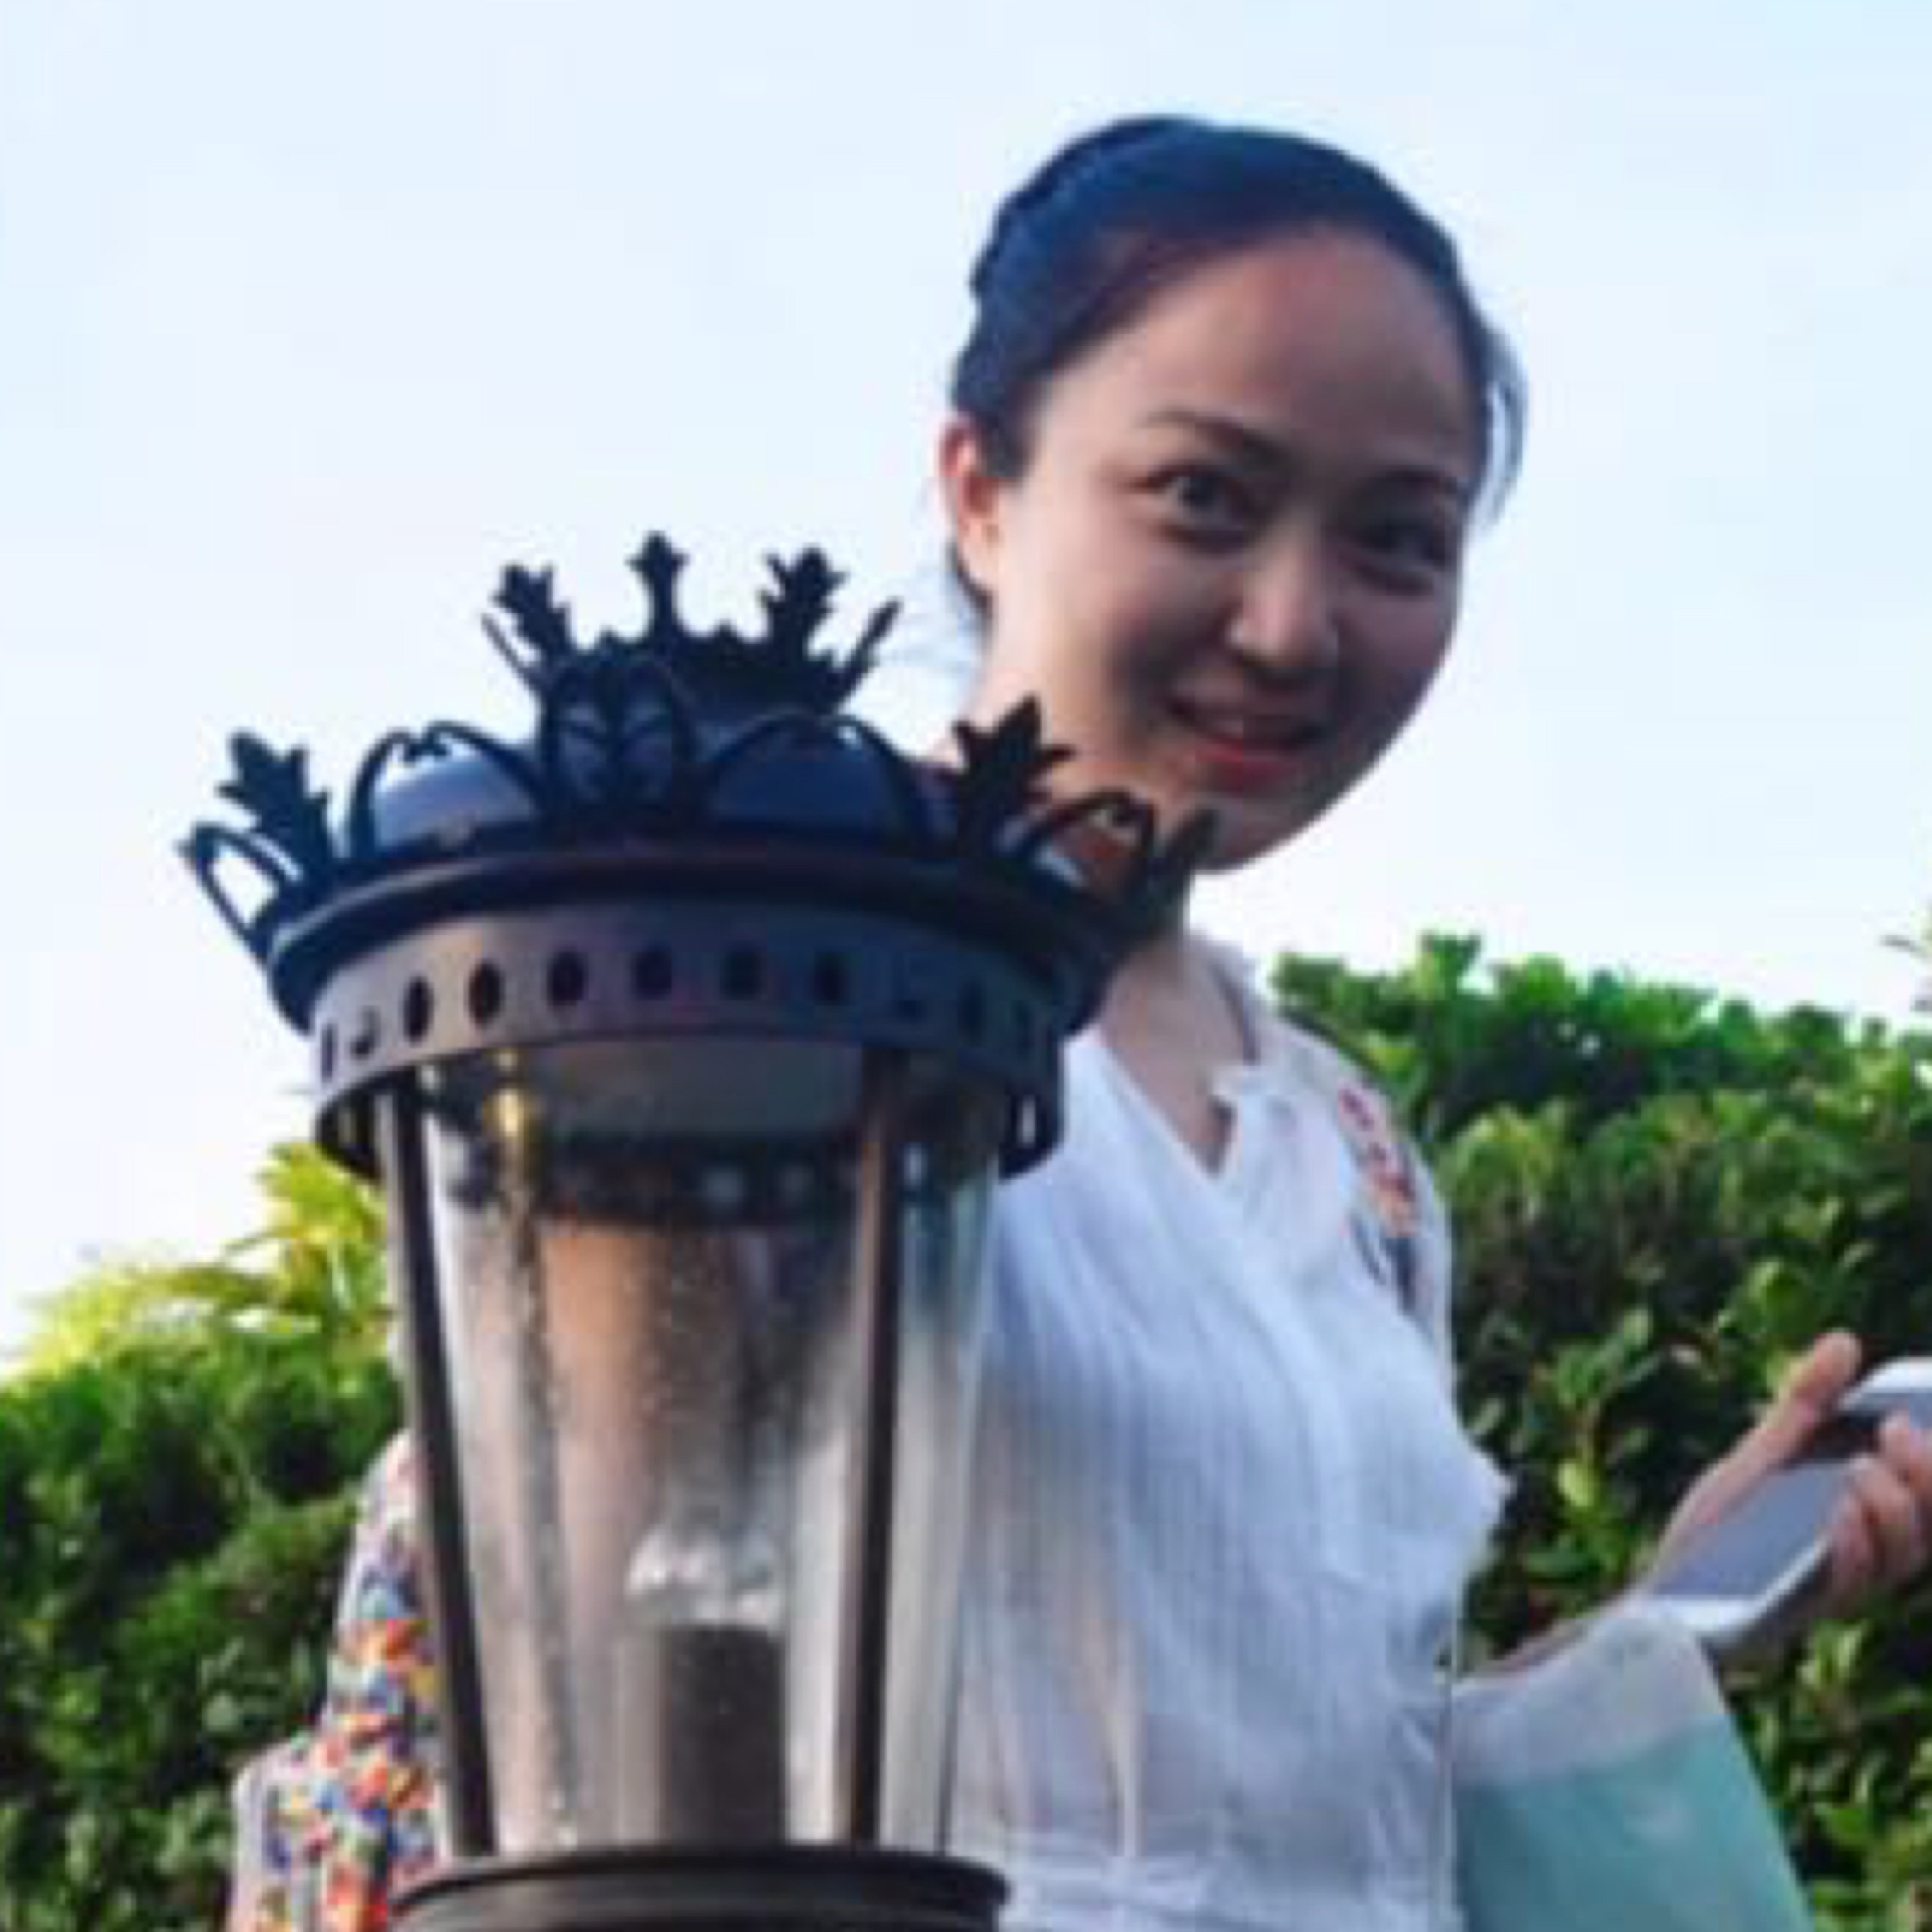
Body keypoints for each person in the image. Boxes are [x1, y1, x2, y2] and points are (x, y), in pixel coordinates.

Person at [228, 114, 1932, 1932]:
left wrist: (1671, 1611)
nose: (1291, 625)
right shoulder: (757, 983)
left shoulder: (1350, 1151)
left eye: (1396, 539)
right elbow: (596, 1747)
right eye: (1204, 494)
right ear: (979, 487)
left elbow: (1333, 1810)